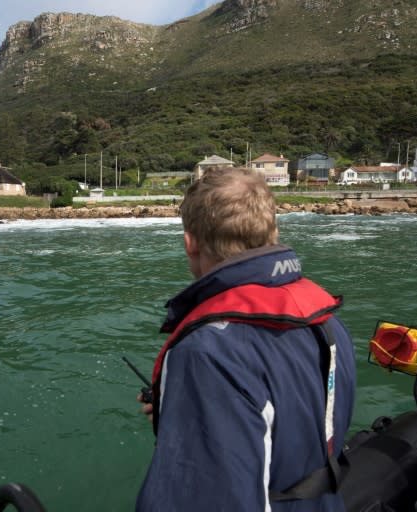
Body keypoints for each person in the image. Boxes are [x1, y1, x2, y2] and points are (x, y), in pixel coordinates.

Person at [136, 167, 356, 511]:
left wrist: (193, 413)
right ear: (273, 231)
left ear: (189, 243)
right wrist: (183, 412)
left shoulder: (207, 354)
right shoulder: (327, 323)